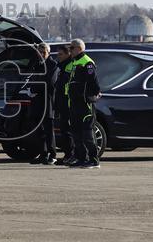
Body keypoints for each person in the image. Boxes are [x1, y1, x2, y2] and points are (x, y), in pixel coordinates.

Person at [65, 38, 102, 169]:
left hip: (84, 103)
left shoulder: (87, 62)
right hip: (74, 103)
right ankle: (82, 158)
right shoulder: (74, 62)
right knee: (76, 132)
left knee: (87, 132)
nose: (70, 50)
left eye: (72, 48)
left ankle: (93, 159)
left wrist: (90, 97)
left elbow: (94, 84)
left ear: (79, 48)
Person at [28, 42, 58, 165]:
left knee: (48, 130)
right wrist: (31, 88)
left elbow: (49, 83)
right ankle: (43, 153)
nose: (41, 54)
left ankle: (52, 154)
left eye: (43, 52)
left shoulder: (52, 65)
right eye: (39, 52)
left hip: (47, 101)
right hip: (37, 102)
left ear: (48, 53)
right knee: (38, 129)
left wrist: (34, 89)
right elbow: (32, 78)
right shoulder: (38, 64)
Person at [53, 44, 75, 165]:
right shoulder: (60, 66)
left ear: (68, 54)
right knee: (64, 130)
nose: (58, 56)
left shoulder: (70, 65)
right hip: (62, 102)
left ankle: (71, 155)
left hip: (68, 102)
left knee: (68, 130)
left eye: (61, 54)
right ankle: (68, 155)